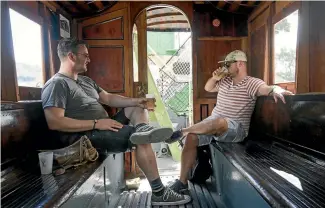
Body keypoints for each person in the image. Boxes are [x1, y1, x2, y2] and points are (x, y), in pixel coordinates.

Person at [41, 37, 191, 205]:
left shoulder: (85, 80)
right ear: (72, 56)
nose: (89, 59)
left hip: (102, 126)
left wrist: (136, 101)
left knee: (138, 109)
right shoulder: (57, 84)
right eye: (86, 55)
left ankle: (143, 130)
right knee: (142, 141)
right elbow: (55, 122)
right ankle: (159, 193)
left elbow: (109, 98)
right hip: (86, 137)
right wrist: (97, 123)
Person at [165, 50, 294, 194]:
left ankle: (181, 132)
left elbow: (266, 89)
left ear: (239, 64)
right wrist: (214, 78)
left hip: (236, 128)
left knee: (219, 121)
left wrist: (276, 89)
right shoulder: (225, 81)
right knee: (191, 137)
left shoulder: (252, 82)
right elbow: (208, 87)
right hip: (214, 124)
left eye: (228, 64)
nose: (225, 67)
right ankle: (182, 182)